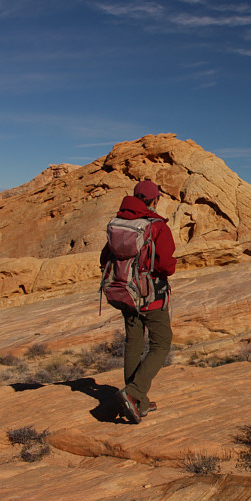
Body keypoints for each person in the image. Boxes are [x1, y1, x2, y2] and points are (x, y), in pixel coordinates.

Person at [100, 180, 176, 424]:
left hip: (125, 293)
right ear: (154, 200)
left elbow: (104, 258)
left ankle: (138, 402)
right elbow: (165, 265)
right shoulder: (156, 226)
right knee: (161, 343)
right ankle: (133, 394)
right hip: (150, 295)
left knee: (133, 343)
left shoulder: (118, 223)